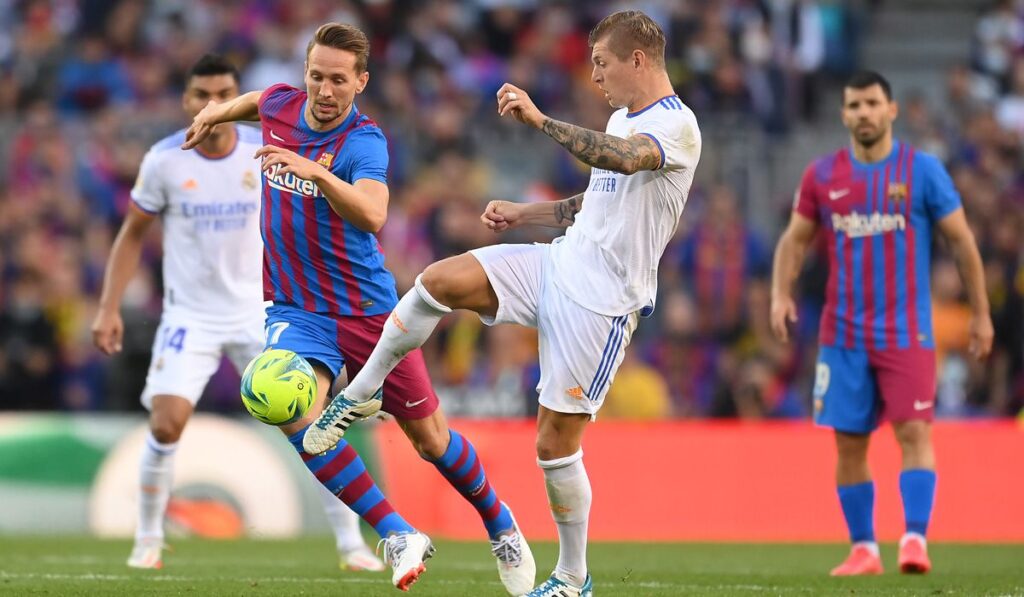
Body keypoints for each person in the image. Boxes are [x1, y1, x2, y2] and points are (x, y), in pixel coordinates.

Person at [303, 11, 700, 597]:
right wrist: (524, 214)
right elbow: (597, 200)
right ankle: (361, 392)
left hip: (602, 303)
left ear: (637, 60)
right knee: (438, 281)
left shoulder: (677, 126)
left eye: (602, 64)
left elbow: (621, 158)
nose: (595, 77)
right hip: (559, 263)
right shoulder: (623, 117)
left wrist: (540, 120)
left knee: (554, 446)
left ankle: (573, 578)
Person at [180, 23, 534, 594]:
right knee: (281, 401)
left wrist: (318, 174)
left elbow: (373, 214)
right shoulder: (280, 106)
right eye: (316, 76)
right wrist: (216, 113)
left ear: (361, 82)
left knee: (431, 442)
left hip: (367, 312)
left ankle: (500, 522)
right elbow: (256, 100)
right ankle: (396, 533)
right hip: (297, 308)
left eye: (338, 80)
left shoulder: (363, 142)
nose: (325, 90)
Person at [91, 54, 384, 573]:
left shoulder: (268, 146)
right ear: (187, 101)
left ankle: (350, 543)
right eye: (201, 95)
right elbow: (132, 234)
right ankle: (148, 538)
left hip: (262, 307)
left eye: (223, 94)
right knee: (166, 424)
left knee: (309, 423)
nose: (212, 103)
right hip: (191, 315)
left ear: (235, 99)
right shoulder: (165, 160)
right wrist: (109, 306)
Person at [769, 71, 994, 576]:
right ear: (844, 115)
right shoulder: (823, 175)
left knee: (914, 431)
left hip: (906, 331)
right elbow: (794, 241)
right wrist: (780, 294)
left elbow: (962, 242)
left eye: (872, 103)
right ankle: (864, 549)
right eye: (854, 105)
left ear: (891, 110)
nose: (864, 113)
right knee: (849, 442)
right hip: (843, 334)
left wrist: (980, 313)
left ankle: (914, 539)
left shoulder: (923, 171)